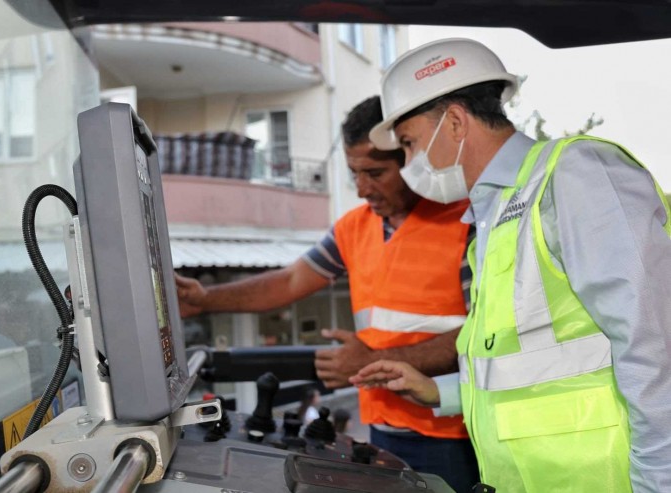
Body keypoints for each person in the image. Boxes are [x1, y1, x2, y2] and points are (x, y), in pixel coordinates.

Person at [351, 37, 671, 492]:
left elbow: (654, 342)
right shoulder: (495, 216)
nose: (407, 164)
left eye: (408, 144)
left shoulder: (574, 175)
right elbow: (533, 371)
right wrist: (437, 391)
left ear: (456, 122)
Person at [175, 96, 480, 492]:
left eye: (375, 173)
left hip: (455, 435)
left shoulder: (467, 220)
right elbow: (288, 281)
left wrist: (372, 359)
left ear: (412, 157)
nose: (361, 189)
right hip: (383, 431)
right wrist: (204, 299)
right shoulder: (353, 228)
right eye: (355, 173)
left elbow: (481, 336)